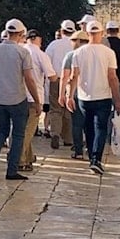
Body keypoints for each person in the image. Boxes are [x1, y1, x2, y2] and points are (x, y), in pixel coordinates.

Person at [0, 19, 42, 181]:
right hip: (17, 99)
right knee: (17, 135)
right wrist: (37, 101)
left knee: (1, 131)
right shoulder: (23, 53)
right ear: (21, 34)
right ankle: (12, 170)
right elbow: (29, 79)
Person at [68, 20, 120, 175]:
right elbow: (112, 77)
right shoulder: (108, 53)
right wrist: (117, 99)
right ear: (101, 33)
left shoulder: (78, 53)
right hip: (103, 96)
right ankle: (96, 159)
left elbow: (74, 76)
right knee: (101, 127)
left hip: (84, 97)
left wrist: (69, 96)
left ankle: (92, 155)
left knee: (89, 128)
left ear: (88, 33)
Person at [19, 30, 56, 172]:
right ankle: (20, 159)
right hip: (34, 97)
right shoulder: (40, 54)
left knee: (22, 128)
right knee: (28, 131)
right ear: (36, 38)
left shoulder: (19, 50)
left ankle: (28, 158)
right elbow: (51, 76)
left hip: (18, 96)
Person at [45, 20, 77, 150]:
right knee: (69, 108)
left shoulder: (53, 45)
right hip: (71, 80)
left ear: (62, 31)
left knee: (55, 109)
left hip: (56, 79)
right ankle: (68, 138)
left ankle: (55, 133)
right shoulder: (75, 45)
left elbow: (47, 62)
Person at [60, 31, 91, 159]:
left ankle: (78, 151)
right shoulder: (92, 54)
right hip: (92, 94)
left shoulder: (71, 56)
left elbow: (65, 76)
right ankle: (91, 149)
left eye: (73, 40)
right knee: (90, 124)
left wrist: (63, 94)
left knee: (77, 124)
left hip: (77, 94)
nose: (71, 43)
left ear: (78, 41)